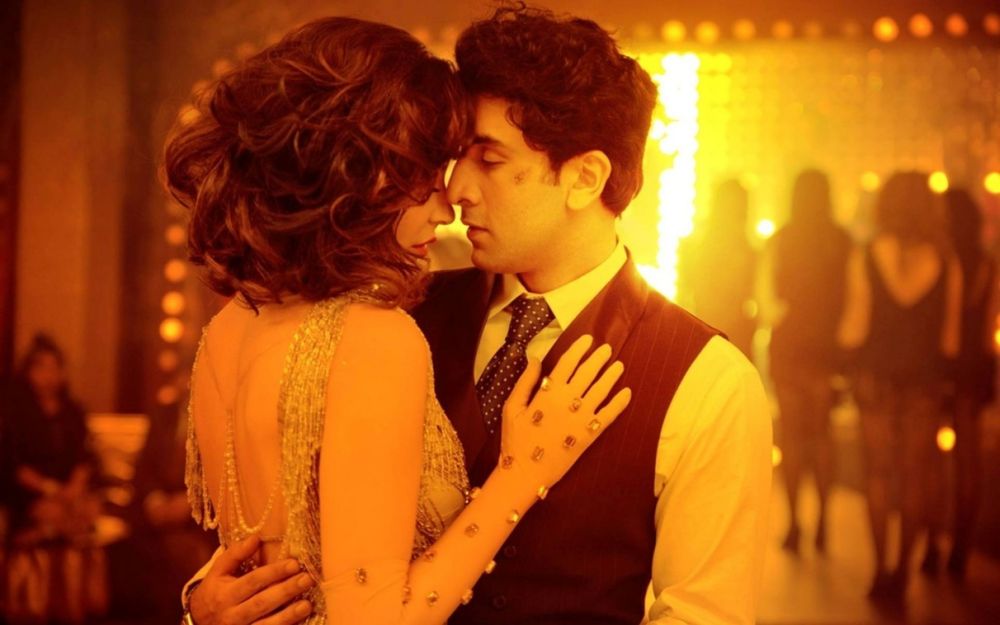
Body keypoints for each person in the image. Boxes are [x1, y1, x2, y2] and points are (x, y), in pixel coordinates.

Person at [187, 6, 772, 624]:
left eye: (488, 161)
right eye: (454, 159)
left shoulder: (708, 381)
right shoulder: (385, 313)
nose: (458, 190)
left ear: (585, 178)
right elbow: (290, 517)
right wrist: (203, 605)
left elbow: (702, 614)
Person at [838, 171, 962, 600]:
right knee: (915, 478)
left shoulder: (868, 254)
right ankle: (904, 573)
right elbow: (950, 340)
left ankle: (880, 569)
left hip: (875, 378)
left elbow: (854, 328)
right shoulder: (947, 262)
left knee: (876, 475)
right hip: (925, 382)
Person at [769, 170, 850, 555]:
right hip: (827, 352)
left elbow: (769, 301)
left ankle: (793, 525)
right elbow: (853, 297)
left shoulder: (781, 239)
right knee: (822, 436)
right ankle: (823, 522)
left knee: (791, 437)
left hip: (789, 347)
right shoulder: (842, 241)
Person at [4, 334, 106, 624]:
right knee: (56, 514)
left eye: (54, 367)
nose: (49, 376)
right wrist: (52, 490)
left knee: (86, 511)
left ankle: (76, 605)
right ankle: (40, 605)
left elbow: (86, 457)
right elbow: (13, 466)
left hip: (70, 494)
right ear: (29, 371)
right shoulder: (16, 413)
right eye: (42, 368)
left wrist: (74, 487)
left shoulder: (73, 411)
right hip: (29, 495)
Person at [937, 188, 996, 578]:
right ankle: (961, 542)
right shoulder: (986, 265)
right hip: (974, 368)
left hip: (941, 366)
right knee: (968, 460)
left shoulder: (941, 259)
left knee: (929, 460)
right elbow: (989, 326)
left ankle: (930, 540)